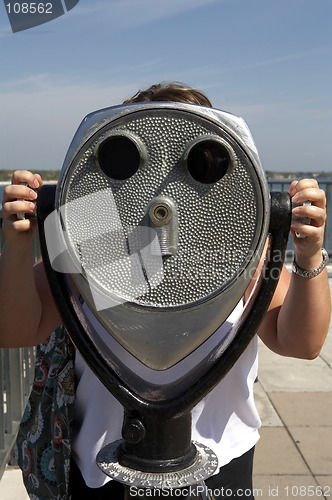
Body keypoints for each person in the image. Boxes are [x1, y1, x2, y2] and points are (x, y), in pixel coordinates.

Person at [0, 82, 330, 500]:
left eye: (201, 163)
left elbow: (299, 341)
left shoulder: (237, 237)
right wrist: (16, 247)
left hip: (220, 462)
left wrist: (308, 254)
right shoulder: (97, 232)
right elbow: (15, 329)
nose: (165, 191)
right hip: (101, 471)